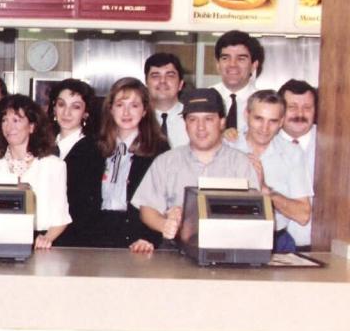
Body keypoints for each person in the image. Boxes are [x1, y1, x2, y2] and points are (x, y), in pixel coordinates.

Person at [132, 88, 260, 242]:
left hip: (228, 249)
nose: (200, 127)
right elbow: (147, 207)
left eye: (208, 119)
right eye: (193, 119)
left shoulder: (241, 163)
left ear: (222, 122)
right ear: (185, 123)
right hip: (174, 252)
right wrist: (165, 224)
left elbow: (254, 213)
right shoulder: (165, 162)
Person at [91, 78, 170, 252]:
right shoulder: (93, 147)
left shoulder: (158, 149)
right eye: (120, 105)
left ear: (144, 111)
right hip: (97, 237)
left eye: (134, 105)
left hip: (138, 238)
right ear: (110, 109)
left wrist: (148, 238)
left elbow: (160, 202)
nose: (126, 112)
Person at [228, 90, 312, 253]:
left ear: (281, 122)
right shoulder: (227, 146)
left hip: (276, 242)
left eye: (273, 121)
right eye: (258, 119)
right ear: (247, 114)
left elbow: (303, 215)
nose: (264, 128)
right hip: (229, 239)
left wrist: (266, 191)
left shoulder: (292, 154)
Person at [0, 94, 70, 249]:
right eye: (4, 120)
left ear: (32, 126)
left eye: (16, 120)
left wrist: (46, 238)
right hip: (2, 242)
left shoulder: (54, 165)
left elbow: (61, 217)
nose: (9, 127)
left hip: (43, 242)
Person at [48, 78, 101, 247]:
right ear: (54, 107)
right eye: (61, 104)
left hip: (76, 237)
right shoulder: (42, 145)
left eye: (76, 107)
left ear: (86, 113)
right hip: (43, 233)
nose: (66, 113)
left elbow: (85, 205)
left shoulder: (93, 149)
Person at [277, 79, 318, 248]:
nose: (300, 114)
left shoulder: (337, 146)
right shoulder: (263, 141)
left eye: (307, 108)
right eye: (292, 107)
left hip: (325, 246)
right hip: (276, 247)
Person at [212, 30, 264, 136]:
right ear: (218, 64)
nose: (232, 65)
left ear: (254, 65)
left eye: (241, 59)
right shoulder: (206, 98)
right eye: (225, 58)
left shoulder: (263, 104)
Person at [144, 52, 187, 149]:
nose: (162, 81)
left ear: (180, 84)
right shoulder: (137, 119)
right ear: (146, 83)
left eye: (170, 75)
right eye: (155, 76)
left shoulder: (194, 119)